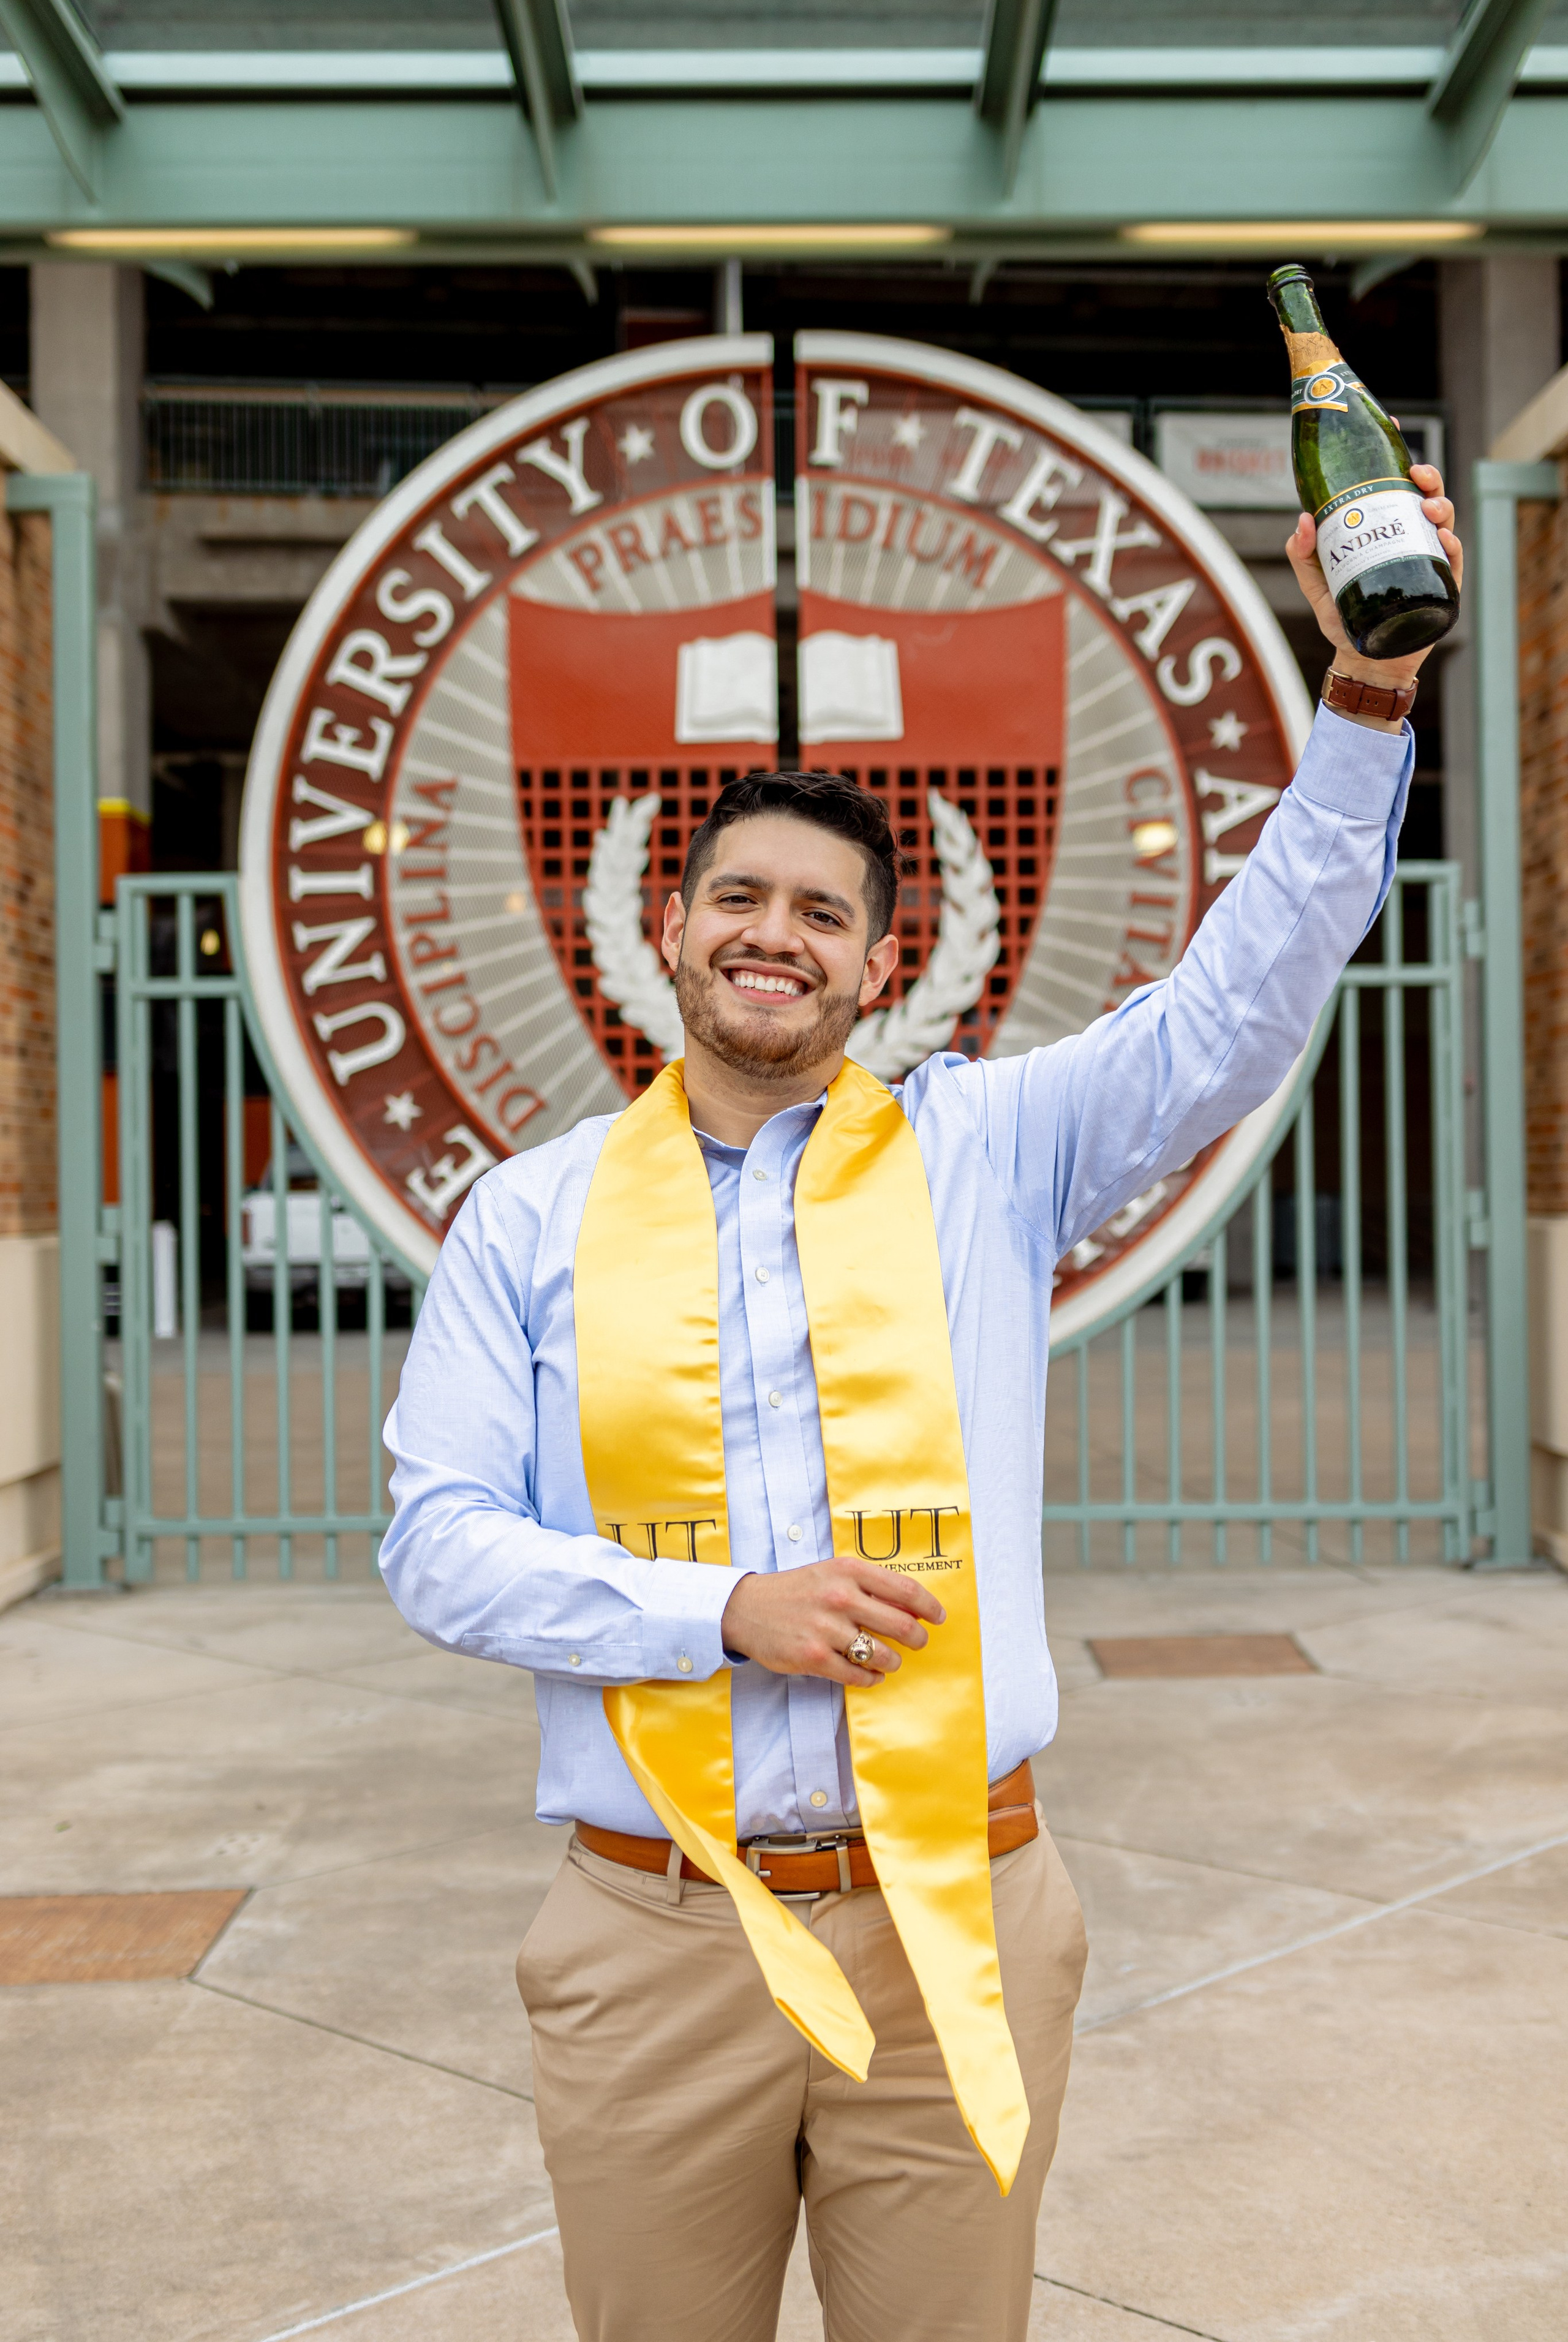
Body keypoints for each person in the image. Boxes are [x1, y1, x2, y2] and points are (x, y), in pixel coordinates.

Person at [379, 467, 1461, 2342]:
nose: (771, 932)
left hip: (955, 1906)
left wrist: (1368, 695)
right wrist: (716, 1611)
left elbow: (1244, 1001)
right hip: (658, 1936)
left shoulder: (991, 1152)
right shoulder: (530, 1215)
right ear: (675, 927)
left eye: (820, 909)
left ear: (885, 958)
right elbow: (436, 1545)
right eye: (738, 896)